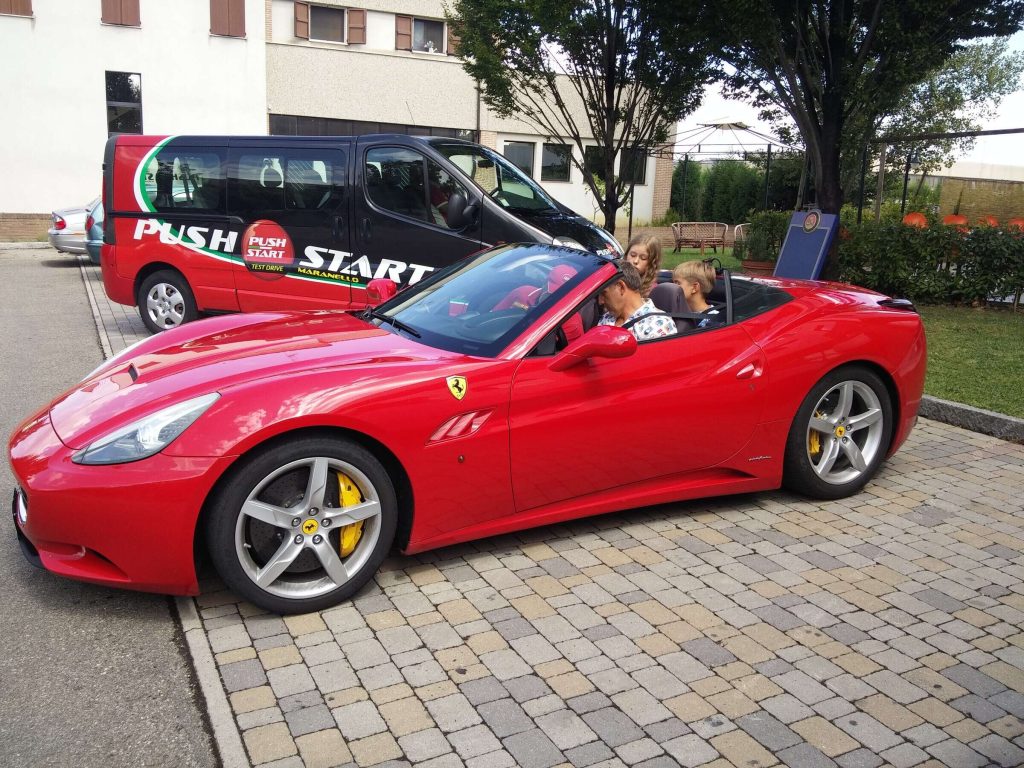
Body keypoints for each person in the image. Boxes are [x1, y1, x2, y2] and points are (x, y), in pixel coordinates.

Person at [598, 260, 677, 340]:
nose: (600, 301)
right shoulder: (607, 317)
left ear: (621, 287)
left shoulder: (658, 326)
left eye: (604, 293)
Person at [673, 260, 722, 328]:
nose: (672, 286)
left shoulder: (714, 320)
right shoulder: (676, 311)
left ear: (694, 287)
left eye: (677, 283)